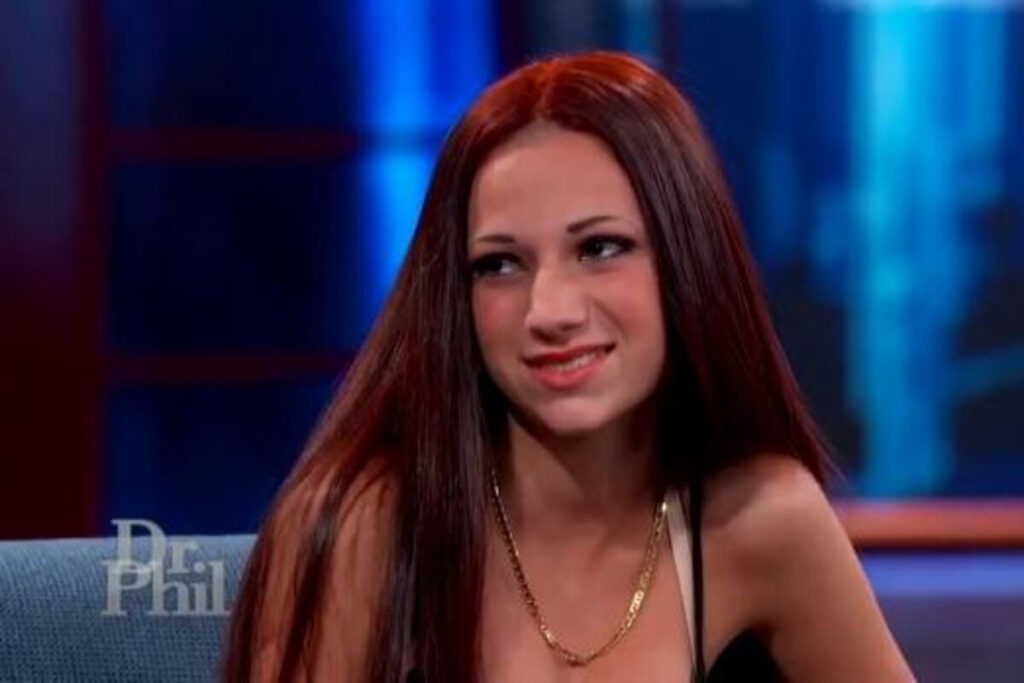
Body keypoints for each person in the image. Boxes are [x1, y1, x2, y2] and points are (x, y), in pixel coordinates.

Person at [223, 51, 915, 682]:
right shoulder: (361, 524)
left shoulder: (760, 518)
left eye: (600, 248)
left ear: (685, 260)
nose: (548, 309)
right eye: (499, 265)